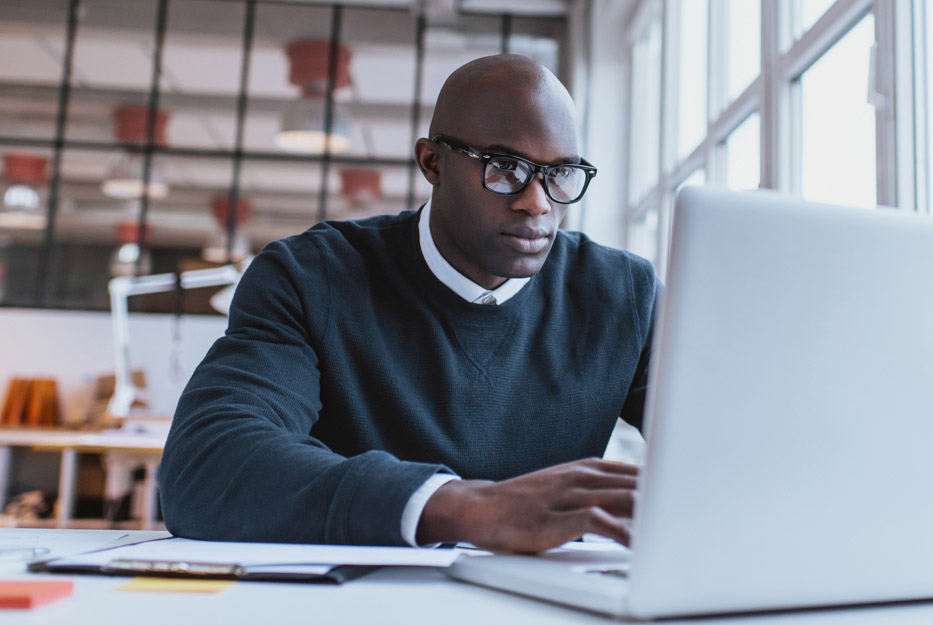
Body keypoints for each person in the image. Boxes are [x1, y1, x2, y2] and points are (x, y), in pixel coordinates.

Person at [159, 54, 658, 553]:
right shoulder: (312, 277)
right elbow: (206, 464)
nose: (539, 202)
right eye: (505, 169)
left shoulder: (623, 294)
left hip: (551, 601)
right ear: (432, 163)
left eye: (562, 173)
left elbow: (724, 440)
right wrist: (459, 507)